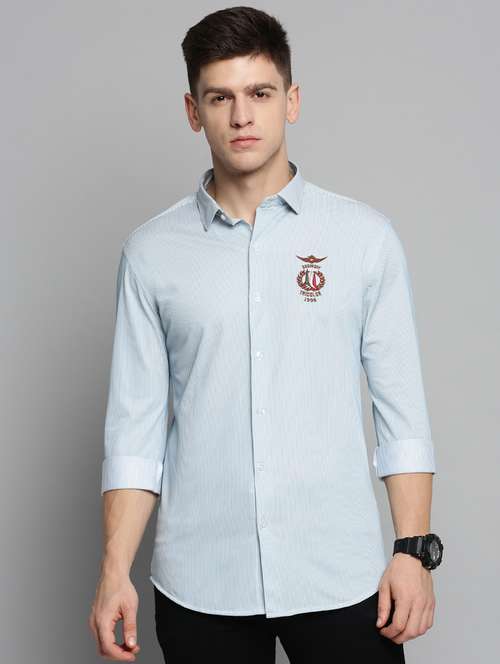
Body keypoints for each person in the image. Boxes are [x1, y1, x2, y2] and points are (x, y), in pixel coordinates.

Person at [88, 6, 443, 663]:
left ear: (292, 101)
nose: (242, 116)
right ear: (193, 111)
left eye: (260, 93)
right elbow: (134, 431)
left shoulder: (365, 239)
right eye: (220, 97)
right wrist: (114, 571)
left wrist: (413, 551)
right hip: (201, 581)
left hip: (340, 573)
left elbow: (402, 413)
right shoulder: (150, 253)